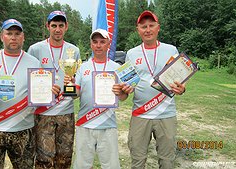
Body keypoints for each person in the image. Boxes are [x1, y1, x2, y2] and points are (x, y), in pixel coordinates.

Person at [0, 19, 61, 169]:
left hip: (23, 129)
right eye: (9, 33)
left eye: (17, 34)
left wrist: (51, 93)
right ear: (1, 37)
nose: (13, 37)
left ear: (23, 37)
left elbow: (40, 93)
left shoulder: (34, 63)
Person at [125, 10, 186, 169]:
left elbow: (179, 79)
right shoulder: (131, 54)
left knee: (167, 161)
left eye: (151, 25)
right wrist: (126, 89)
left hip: (166, 113)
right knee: (137, 160)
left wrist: (182, 88)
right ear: (138, 29)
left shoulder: (171, 50)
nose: (148, 29)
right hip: (141, 113)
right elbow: (129, 84)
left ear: (158, 28)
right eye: (143, 26)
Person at [66, 29, 133, 169]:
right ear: (91, 44)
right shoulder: (82, 67)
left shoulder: (117, 68)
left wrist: (121, 92)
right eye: (95, 42)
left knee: (111, 166)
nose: (98, 45)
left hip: (108, 125)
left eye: (102, 42)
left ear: (108, 44)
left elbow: (123, 97)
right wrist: (69, 86)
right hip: (85, 124)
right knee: (81, 165)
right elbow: (75, 94)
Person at [27, 10, 80, 169]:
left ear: (66, 27)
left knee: (64, 157)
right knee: (44, 159)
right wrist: (43, 87)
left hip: (66, 112)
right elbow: (28, 80)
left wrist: (72, 83)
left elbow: (75, 82)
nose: (57, 29)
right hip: (44, 112)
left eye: (61, 25)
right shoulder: (35, 49)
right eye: (54, 25)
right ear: (48, 26)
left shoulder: (74, 50)